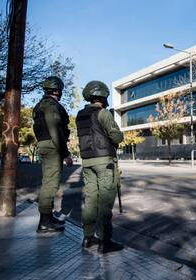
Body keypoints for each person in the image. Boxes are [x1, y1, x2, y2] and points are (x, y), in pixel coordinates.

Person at [76, 80, 124, 254]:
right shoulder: (103, 113)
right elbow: (117, 138)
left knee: (90, 200)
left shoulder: (80, 115)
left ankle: (88, 237)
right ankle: (105, 241)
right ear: (103, 96)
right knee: (104, 203)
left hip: (87, 162)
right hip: (104, 162)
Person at [33, 76, 73, 233]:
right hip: (52, 145)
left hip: (45, 144)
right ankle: (44, 222)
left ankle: (48, 217)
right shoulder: (50, 106)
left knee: (48, 182)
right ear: (57, 90)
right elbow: (55, 129)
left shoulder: (39, 105)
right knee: (50, 184)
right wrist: (66, 154)